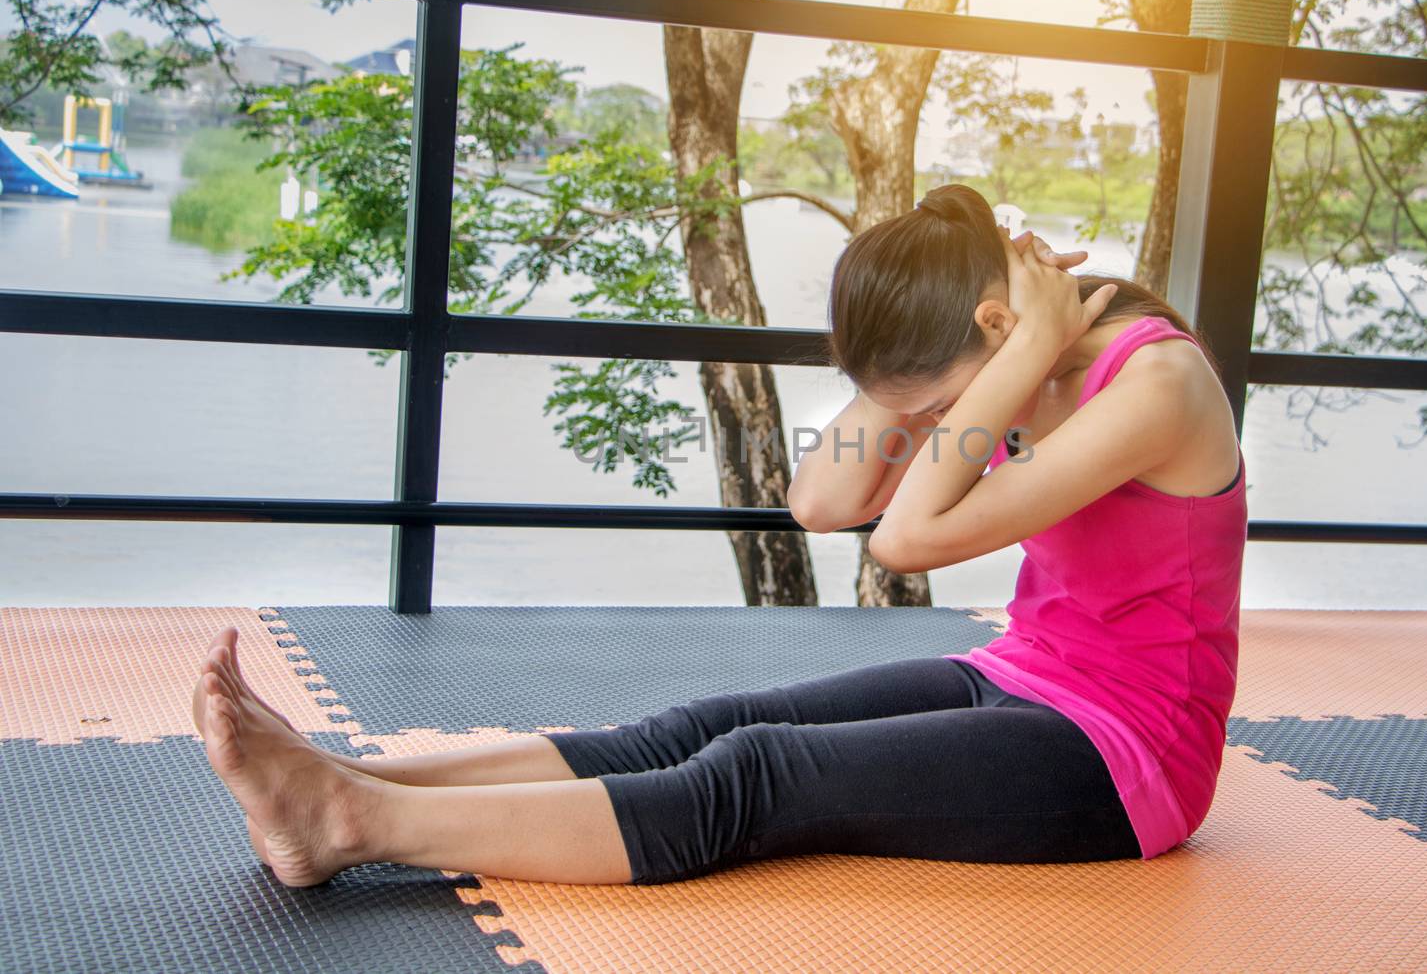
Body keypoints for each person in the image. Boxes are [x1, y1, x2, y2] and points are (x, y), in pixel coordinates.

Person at [189, 183, 1246, 888]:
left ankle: (354, 823)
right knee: (702, 721)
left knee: (762, 773)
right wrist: (969, 343)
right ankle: (346, 777)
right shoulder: (1004, 345)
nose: (925, 430)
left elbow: (905, 538)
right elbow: (823, 502)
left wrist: (1012, 356)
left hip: (1127, 753)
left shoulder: (1155, 382)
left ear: (1005, 333)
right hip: (1018, 674)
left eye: (934, 411)